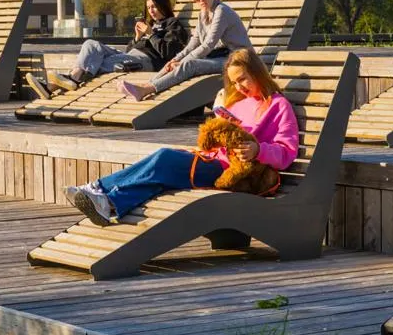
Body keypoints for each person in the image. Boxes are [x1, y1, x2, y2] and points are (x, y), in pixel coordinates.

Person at [63, 48, 298, 225]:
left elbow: (287, 152)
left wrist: (259, 151)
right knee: (159, 178)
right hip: (212, 160)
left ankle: (98, 187)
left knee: (164, 158)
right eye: (234, 82)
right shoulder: (238, 103)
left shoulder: (278, 106)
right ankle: (110, 203)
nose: (239, 87)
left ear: (257, 73)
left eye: (243, 79)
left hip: (231, 173)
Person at [118, 0, 250, 101]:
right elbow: (194, 43)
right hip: (221, 57)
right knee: (172, 62)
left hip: (238, 61)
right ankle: (145, 85)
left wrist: (183, 61)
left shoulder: (221, 11)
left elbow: (208, 45)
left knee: (189, 65)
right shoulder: (203, 13)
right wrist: (176, 59)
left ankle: (148, 89)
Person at [41, 0, 190, 93]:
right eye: (149, 7)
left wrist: (151, 34)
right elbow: (129, 51)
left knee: (97, 63)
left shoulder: (172, 24)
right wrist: (137, 37)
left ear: (163, 5)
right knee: (90, 44)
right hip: (131, 56)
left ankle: (52, 87)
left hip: (146, 62)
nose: (151, 11)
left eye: (154, 7)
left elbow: (168, 53)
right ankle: (71, 79)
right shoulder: (150, 24)